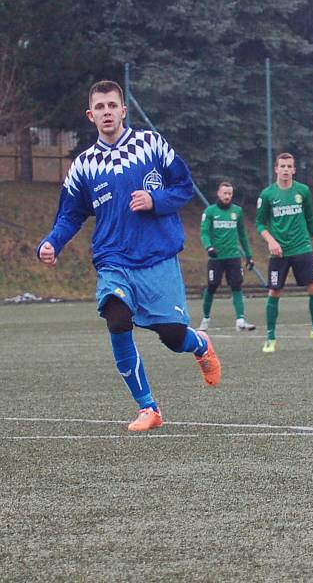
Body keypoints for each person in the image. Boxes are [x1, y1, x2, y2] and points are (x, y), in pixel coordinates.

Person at [37, 80, 221, 432]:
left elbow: (183, 186)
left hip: (157, 259)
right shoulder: (83, 166)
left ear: (123, 110)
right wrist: (52, 242)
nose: (107, 112)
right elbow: (70, 214)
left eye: (112, 105)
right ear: (91, 116)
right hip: (113, 260)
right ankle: (148, 409)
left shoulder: (151, 144)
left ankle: (200, 344)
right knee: (117, 320)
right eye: (100, 107)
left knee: (172, 336)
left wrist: (156, 202)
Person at [256, 152, 313, 353]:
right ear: (276, 169)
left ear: (294, 170)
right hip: (279, 253)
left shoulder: (303, 191)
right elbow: (260, 223)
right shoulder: (267, 195)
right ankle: (270, 337)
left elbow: (310, 219)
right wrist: (271, 241)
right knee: (274, 292)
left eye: (290, 166)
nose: (286, 170)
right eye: (283, 166)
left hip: (302, 248)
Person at [198, 180, 257, 332]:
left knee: (237, 286)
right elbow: (204, 232)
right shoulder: (210, 212)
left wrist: (249, 256)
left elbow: (242, 235)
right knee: (212, 287)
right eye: (224, 193)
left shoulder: (237, 211)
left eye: (230, 193)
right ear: (218, 193)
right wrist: (209, 247)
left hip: (233, 257)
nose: (227, 196)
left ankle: (240, 320)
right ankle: (205, 320)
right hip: (216, 258)